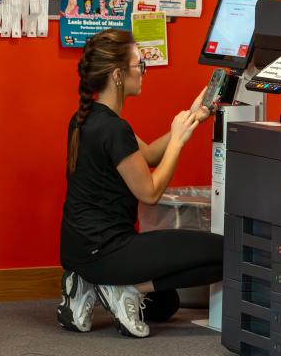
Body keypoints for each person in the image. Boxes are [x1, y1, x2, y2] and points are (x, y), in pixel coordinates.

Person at [58, 29, 222, 338]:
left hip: (79, 251)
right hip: (110, 252)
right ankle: (123, 287)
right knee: (228, 254)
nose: (143, 71)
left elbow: (146, 155)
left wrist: (193, 118)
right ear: (119, 75)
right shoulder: (114, 129)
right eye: (139, 65)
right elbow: (150, 192)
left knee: (165, 304)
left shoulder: (86, 117)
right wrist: (179, 141)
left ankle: (93, 283)